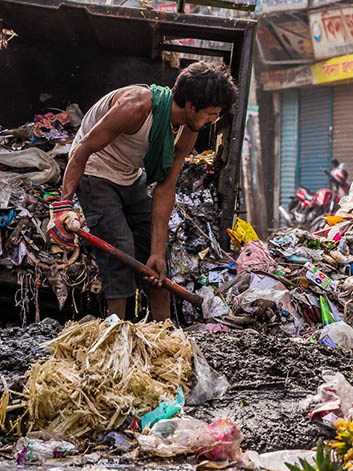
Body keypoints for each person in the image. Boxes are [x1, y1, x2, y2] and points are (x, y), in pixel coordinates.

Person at [48, 61, 237, 321]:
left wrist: (157, 252)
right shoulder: (136, 107)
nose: (211, 121)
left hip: (130, 176)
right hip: (95, 172)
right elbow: (82, 150)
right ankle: (117, 331)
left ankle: (165, 331)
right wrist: (63, 206)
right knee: (120, 248)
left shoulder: (188, 131)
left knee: (155, 256)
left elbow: (165, 188)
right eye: (211, 114)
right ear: (191, 105)